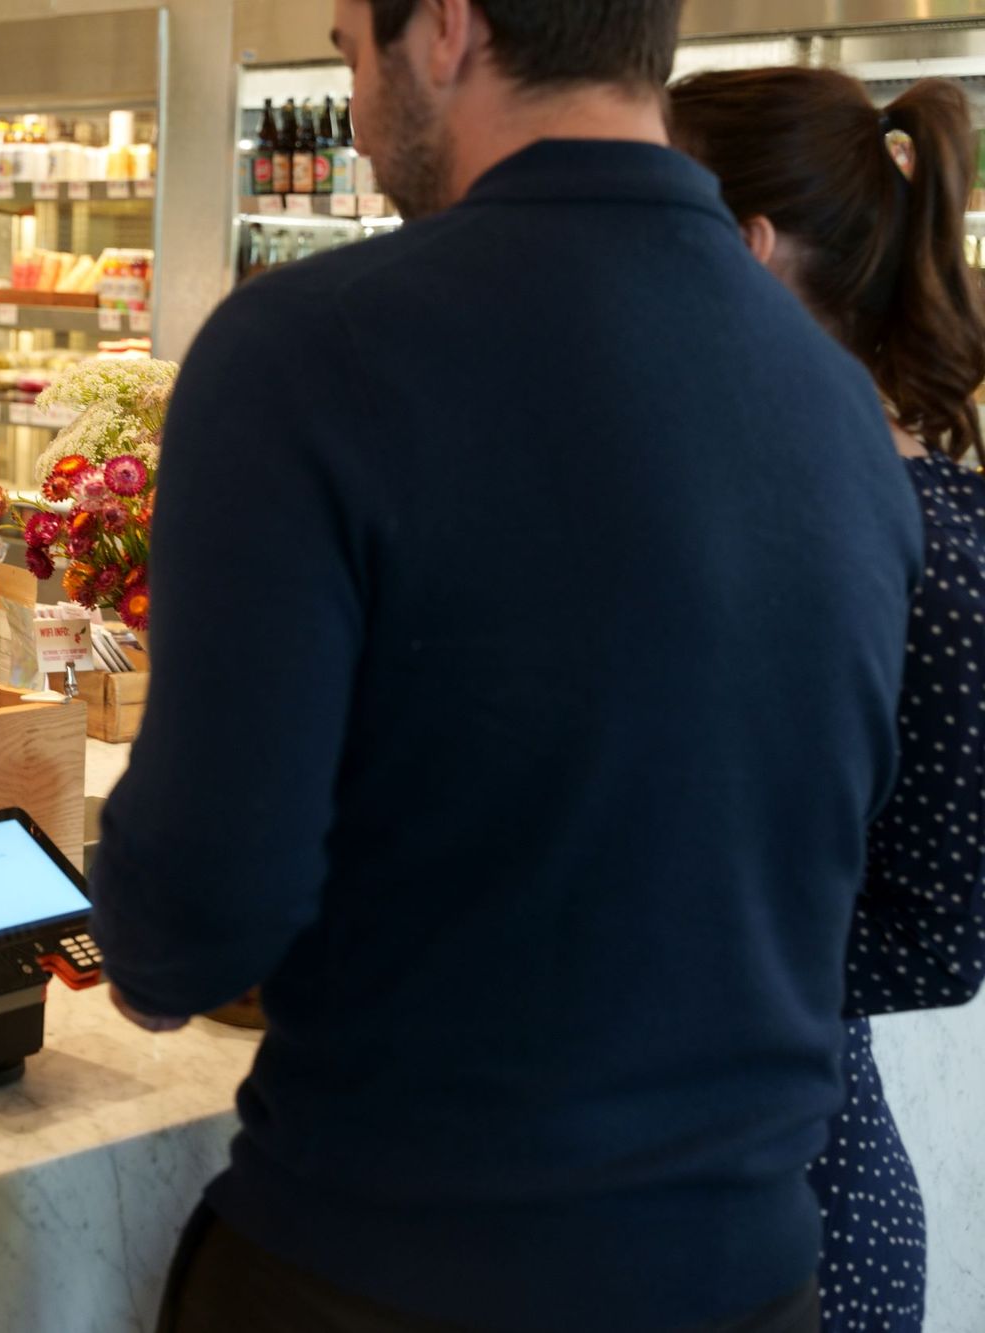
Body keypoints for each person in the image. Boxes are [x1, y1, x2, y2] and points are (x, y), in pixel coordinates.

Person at [89, 2, 924, 1330]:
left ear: (447, 30)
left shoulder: (303, 353)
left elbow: (197, 917)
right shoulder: (837, 409)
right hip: (754, 1280)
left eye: (351, 48)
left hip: (391, 1273)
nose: (352, 103)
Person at [670, 68, 985, 1333]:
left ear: (743, 250)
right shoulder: (731, 493)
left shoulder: (935, 544)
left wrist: (663, 945)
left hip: (801, 1215)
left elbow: (935, 932)